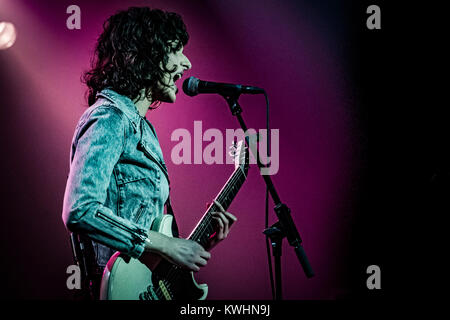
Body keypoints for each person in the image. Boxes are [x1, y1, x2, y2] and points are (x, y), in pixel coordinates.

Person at [62, 7, 236, 300]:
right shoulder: (109, 118)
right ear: (146, 55)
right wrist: (167, 246)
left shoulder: (145, 131)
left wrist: (198, 246)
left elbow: (148, 241)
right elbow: (80, 210)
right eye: (176, 50)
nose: (187, 62)